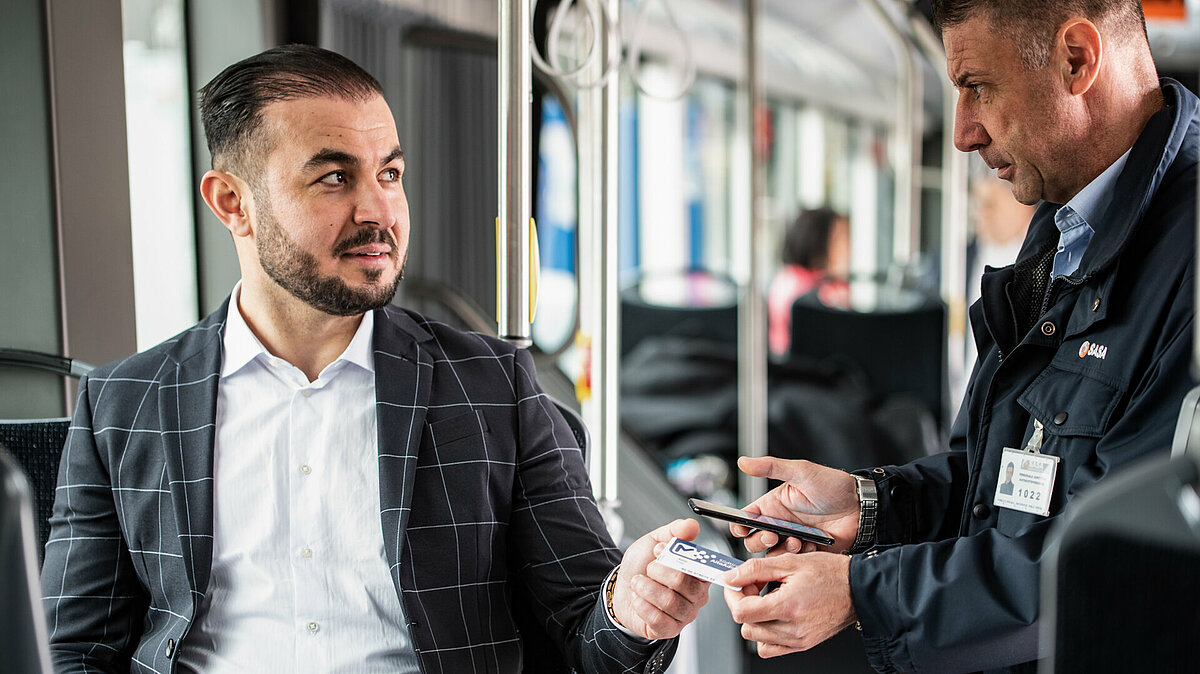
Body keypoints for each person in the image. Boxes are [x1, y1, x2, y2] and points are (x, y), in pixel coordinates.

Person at [40, 44, 709, 674]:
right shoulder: (124, 404)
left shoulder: (491, 387)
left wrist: (632, 609)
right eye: (335, 177)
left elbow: (586, 632)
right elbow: (72, 652)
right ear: (232, 203)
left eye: (389, 174)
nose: (379, 210)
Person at [720, 1, 1197, 672]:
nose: (963, 134)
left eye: (978, 87)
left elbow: (1113, 557)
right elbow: (992, 477)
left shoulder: (1190, 260)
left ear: (1078, 59)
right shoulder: (1062, 226)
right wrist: (872, 504)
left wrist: (864, 592)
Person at [767, 207, 851, 355]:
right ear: (819, 241)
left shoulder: (784, 278)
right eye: (841, 238)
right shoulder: (823, 292)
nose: (849, 247)